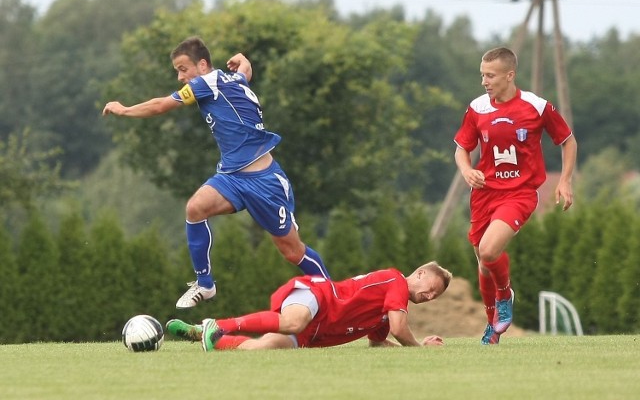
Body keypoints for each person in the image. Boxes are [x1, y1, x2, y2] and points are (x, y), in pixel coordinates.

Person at [103, 36, 331, 309]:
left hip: (265, 182)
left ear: (201, 65)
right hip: (232, 177)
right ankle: (205, 284)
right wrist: (245, 61)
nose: (179, 77)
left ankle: (337, 298)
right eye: (177, 70)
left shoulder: (205, 84)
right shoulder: (230, 80)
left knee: (292, 251)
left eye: (183, 69)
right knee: (195, 208)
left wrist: (124, 109)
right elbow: (244, 73)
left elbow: (161, 105)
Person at [453, 47, 577, 345]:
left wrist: (565, 181)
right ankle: (492, 327)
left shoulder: (536, 106)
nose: (484, 81)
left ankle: (505, 294)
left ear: (510, 75)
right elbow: (461, 149)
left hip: (520, 194)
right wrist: (467, 170)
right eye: (482, 74)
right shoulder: (478, 108)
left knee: (489, 251)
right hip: (484, 195)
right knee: (483, 264)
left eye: (490, 75)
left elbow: (568, 141)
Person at [166, 261, 452, 351]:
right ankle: (218, 324)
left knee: (261, 348)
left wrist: (401, 348)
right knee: (293, 322)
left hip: (316, 330)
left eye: (435, 297)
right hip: (319, 296)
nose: (430, 297)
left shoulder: (386, 314)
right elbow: (401, 331)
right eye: (432, 290)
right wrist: (420, 349)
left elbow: (378, 343)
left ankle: (202, 335)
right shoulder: (396, 282)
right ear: (421, 274)